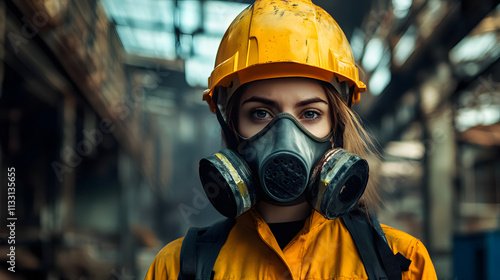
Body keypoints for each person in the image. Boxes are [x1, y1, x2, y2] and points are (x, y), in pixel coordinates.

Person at [145, 0, 437, 279]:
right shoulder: (177, 268)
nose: (286, 135)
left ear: (337, 127)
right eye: (260, 113)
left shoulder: (401, 264)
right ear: (230, 126)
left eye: (310, 113)